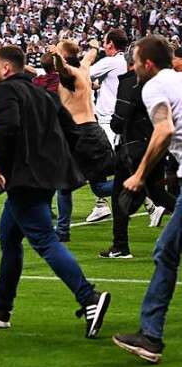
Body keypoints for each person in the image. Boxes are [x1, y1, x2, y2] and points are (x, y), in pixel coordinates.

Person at [0, 45, 111, 339]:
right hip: (45, 177)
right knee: (9, 238)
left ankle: (89, 297)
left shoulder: (4, 92)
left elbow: (9, 129)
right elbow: (73, 132)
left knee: (45, 241)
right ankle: (1, 308)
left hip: (24, 180)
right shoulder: (44, 94)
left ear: (6, 69)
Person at [113, 35, 182, 364]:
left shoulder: (152, 86)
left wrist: (140, 175)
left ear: (149, 64)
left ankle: (151, 337)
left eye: (136, 61)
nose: (133, 66)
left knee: (166, 252)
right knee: (167, 251)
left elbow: (164, 129)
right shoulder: (178, 80)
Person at [50, 39, 116, 242]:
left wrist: (55, 55)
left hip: (78, 135)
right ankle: (139, 182)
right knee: (99, 187)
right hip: (94, 131)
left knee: (64, 186)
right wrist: (95, 46)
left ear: (65, 54)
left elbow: (61, 67)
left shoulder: (70, 72)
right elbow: (90, 55)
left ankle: (62, 231)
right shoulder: (85, 69)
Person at [85, 29, 129, 222]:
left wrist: (91, 50)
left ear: (110, 44)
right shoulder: (126, 60)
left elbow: (82, 73)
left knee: (101, 164)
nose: (103, 45)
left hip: (107, 121)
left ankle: (143, 189)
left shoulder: (110, 61)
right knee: (106, 164)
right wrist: (97, 86)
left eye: (104, 42)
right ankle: (101, 205)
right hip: (122, 116)